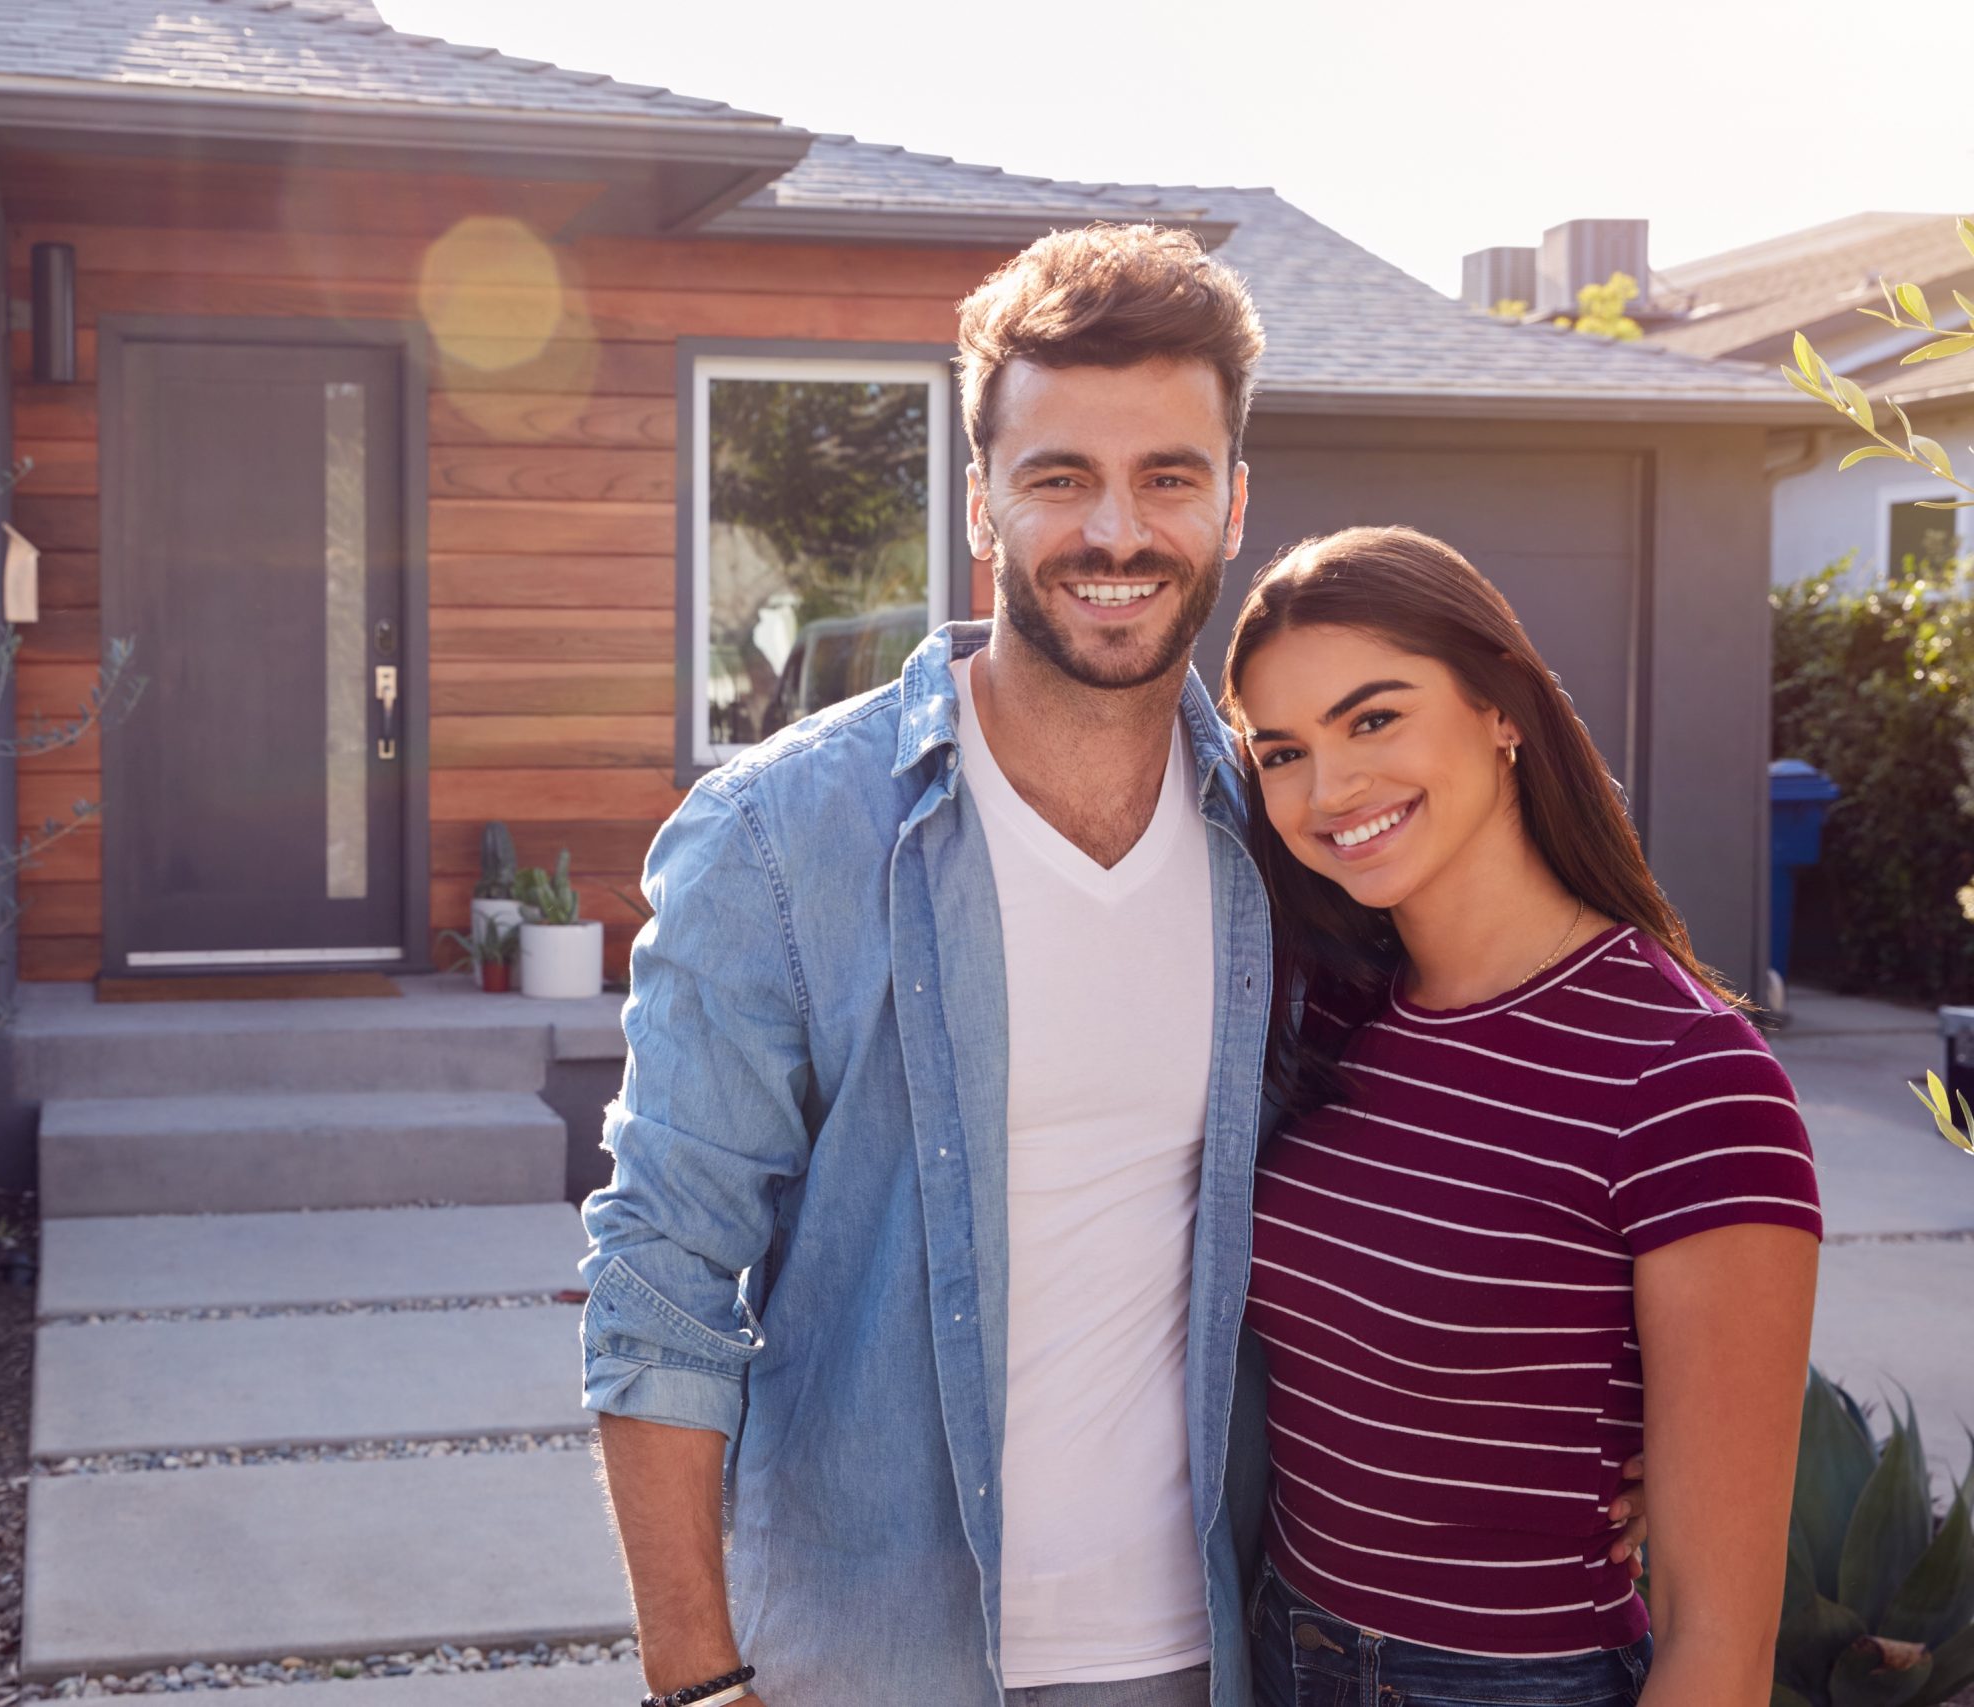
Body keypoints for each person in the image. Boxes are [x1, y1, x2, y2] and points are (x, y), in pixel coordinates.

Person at [580, 223, 1646, 1707]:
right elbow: (664, 1269)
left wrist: (1636, 1423)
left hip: (1214, 1647)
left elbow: (1465, 1121)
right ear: (981, 503)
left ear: (1234, 502)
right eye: (1060, 476)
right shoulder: (779, 839)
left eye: (1168, 477)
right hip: (874, 1655)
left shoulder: (1287, 841)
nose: (1117, 534)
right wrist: (696, 1678)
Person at [1219, 526, 1821, 1707]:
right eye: (1282, 750)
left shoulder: (1690, 1076)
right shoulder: (1323, 1017)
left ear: (1503, 710)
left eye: (1374, 719)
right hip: (1279, 1646)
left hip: (1509, 1681)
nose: (1329, 790)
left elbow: (1721, 1646)